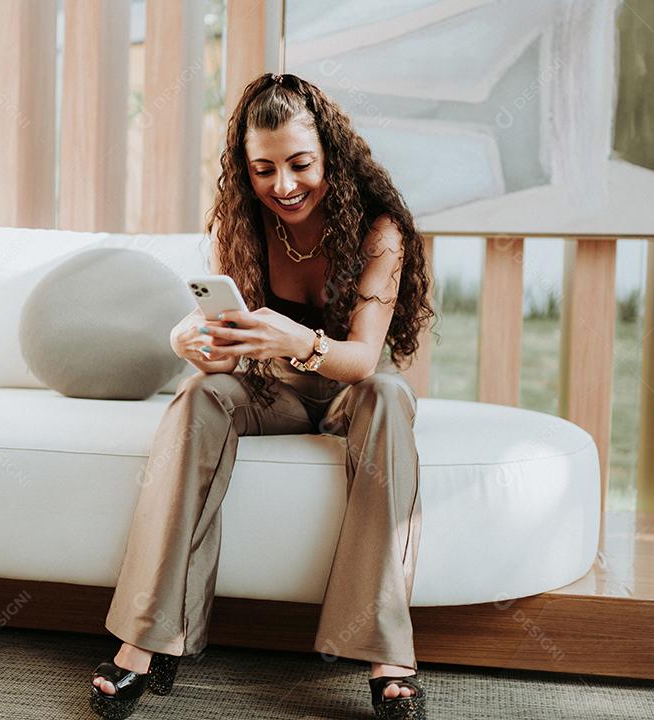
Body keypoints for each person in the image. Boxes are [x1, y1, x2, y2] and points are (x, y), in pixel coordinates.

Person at [89, 72, 434, 720]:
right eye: (264, 169)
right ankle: (146, 639)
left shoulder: (379, 230)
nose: (284, 185)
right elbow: (225, 327)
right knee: (197, 398)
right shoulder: (245, 222)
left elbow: (362, 358)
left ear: (330, 155)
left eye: (301, 165)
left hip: (350, 387)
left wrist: (296, 338)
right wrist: (187, 339)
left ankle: (388, 654)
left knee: (388, 396)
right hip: (269, 387)